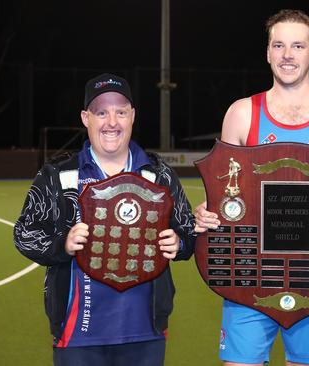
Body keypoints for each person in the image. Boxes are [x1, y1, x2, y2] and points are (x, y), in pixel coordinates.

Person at [193, 9, 309, 366]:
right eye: (279, 45)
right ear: (268, 52)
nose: (288, 55)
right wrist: (207, 214)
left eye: (298, 45)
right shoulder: (241, 114)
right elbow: (227, 199)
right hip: (249, 275)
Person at [14, 73, 196, 366]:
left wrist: (180, 242)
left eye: (120, 112)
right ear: (86, 118)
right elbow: (24, 233)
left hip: (145, 332)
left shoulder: (158, 175)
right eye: (101, 112)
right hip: (78, 334)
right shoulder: (58, 176)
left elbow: (190, 233)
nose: (112, 122)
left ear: (132, 116)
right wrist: (63, 244)